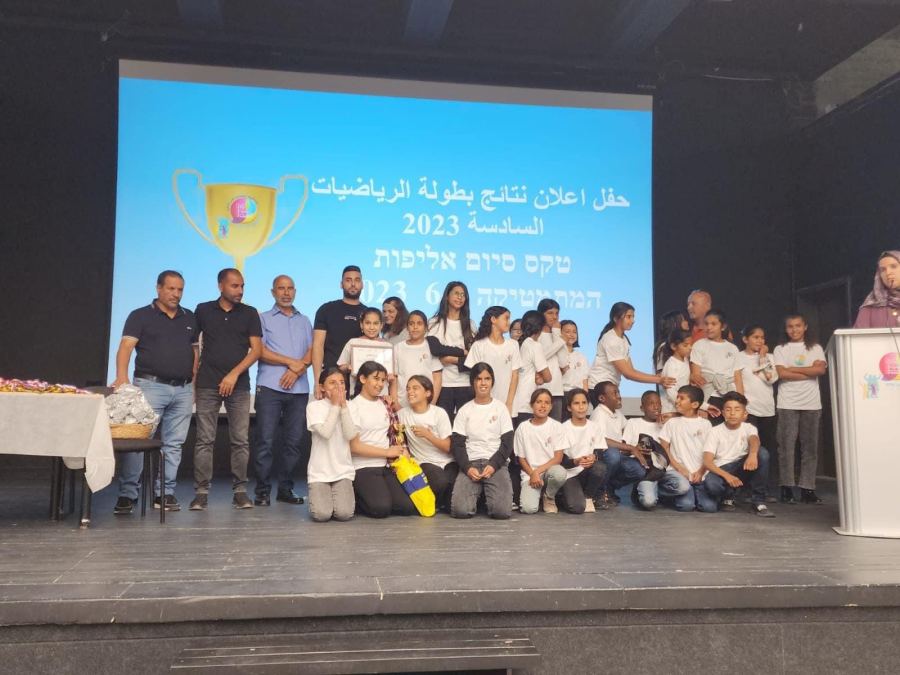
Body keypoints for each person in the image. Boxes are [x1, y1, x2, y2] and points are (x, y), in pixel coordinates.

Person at [111, 270, 198, 514]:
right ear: (158, 288)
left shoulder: (189, 317)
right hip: (150, 386)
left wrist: (193, 383)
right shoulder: (140, 315)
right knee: (139, 442)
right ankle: (128, 494)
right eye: (171, 288)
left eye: (180, 290)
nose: (176, 294)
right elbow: (126, 347)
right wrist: (122, 378)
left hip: (183, 389)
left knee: (174, 444)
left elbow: (195, 352)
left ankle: (164, 493)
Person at [191, 268, 263, 511]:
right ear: (220, 286)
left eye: (242, 286)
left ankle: (240, 492)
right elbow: (194, 347)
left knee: (240, 440)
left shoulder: (250, 313)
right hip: (207, 383)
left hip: (239, 385)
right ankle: (201, 493)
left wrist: (233, 374)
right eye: (234, 286)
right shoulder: (203, 310)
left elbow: (256, 350)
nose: (240, 290)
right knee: (204, 440)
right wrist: (193, 382)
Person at [252, 274, 312, 507]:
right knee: (265, 441)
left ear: (295, 291)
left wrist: (296, 371)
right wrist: (291, 363)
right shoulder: (263, 318)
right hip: (270, 387)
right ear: (273, 292)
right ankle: (262, 491)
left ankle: (285, 489)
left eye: (290, 288)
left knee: (294, 442)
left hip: (299, 389)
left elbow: (312, 350)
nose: (286, 293)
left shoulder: (305, 320)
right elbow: (260, 351)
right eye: (281, 288)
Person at [347, 361, 417, 518]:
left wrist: (402, 450)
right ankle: (355, 496)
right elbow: (354, 447)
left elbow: (394, 432)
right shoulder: (353, 406)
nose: (380, 384)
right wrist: (386, 452)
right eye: (376, 378)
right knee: (381, 509)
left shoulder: (385, 402)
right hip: (363, 466)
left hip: (387, 465)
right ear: (363, 379)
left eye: (383, 380)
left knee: (407, 507)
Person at [449, 363, 515, 519]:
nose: (483, 383)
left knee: (502, 512)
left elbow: (507, 443)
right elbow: (457, 445)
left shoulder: (501, 409)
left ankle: (488, 499)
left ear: (492, 382)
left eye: (487, 379)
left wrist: (493, 465)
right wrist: (467, 468)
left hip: (496, 464)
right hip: (471, 463)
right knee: (460, 511)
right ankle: (475, 498)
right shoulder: (464, 410)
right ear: (473, 382)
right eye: (479, 379)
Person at [774, 314, 827, 505]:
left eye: (798, 326)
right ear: (786, 329)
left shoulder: (815, 348)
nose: (794, 330)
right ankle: (787, 488)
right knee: (786, 447)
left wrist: (792, 369)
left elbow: (820, 371)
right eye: (790, 326)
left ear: (805, 326)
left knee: (810, 448)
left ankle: (807, 489)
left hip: (811, 404)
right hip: (787, 403)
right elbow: (782, 374)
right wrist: (808, 370)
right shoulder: (780, 349)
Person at [700, 392, 775, 517]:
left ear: (745, 414)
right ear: (723, 413)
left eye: (737, 409)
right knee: (712, 485)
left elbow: (754, 440)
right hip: (722, 469)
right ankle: (728, 496)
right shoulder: (714, 431)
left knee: (762, 453)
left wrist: (752, 455)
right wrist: (728, 476)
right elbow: (707, 461)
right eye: (728, 410)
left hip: (741, 468)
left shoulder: (749, 428)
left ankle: (758, 501)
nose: (732, 413)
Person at [398, 375, 456, 512]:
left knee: (454, 496)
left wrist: (428, 435)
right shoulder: (402, 414)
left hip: (448, 461)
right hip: (424, 461)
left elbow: (447, 447)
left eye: (415, 388)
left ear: (428, 393)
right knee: (440, 482)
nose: (410, 392)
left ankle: (441, 503)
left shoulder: (439, 413)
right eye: (408, 388)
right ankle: (435, 503)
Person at [306, 368, 356, 522]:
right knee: (322, 515)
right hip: (319, 472)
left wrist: (343, 407)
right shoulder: (314, 407)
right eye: (333, 383)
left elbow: (350, 435)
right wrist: (335, 406)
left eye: (341, 382)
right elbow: (326, 433)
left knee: (344, 514)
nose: (338, 387)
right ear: (322, 387)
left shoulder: (351, 406)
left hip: (343, 471)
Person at [588, 302, 675, 392]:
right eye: (628, 317)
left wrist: (656, 377)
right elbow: (628, 374)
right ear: (616, 318)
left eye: (633, 317)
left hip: (608, 387)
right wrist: (658, 379)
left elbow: (631, 370)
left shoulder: (623, 339)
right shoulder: (611, 339)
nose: (633, 321)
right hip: (598, 387)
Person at [735, 324, 779, 499]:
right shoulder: (738, 357)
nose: (760, 341)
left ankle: (762, 489)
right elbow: (737, 382)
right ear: (745, 339)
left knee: (766, 451)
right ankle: (745, 488)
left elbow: (771, 378)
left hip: (767, 410)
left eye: (762, 337)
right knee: (749, 449)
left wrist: (762, 358)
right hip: (749, 410)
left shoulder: (769, 357)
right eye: (755, 337)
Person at [312, 265, 366, 399]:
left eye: (357, 280)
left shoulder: (368, 314)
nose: (353, 284)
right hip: (331, 378)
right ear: (341, 284)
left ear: (362, 284)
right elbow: (317, 346)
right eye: (348, 280)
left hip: (360, 382)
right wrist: (317, 381)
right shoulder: (326, 310)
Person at [658, 385, 714, 512]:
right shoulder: (672, 423)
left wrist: (701, 471)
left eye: (681, 398)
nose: (677, 400)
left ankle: (694, 492)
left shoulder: (706, 424)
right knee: (686, 506)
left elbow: (710, 452)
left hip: (700, 474)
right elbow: (664, 448)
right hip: (678, 472)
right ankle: (661, 493)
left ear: (695, 404)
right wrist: (679, 468)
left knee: (709, 507)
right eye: (677, 397)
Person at [590, 381, 647, 504]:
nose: (619, 396)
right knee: (613, 455)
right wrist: (630, 448)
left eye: (619, 392)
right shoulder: (599, 414)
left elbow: (627, 431)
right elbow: (602, 440)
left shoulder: (617, 413)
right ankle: (599, 492)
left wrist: (637, 447)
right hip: (600, 457)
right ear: (602, 398)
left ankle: (609, 488)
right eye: (615, 393)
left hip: (617, 455)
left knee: (639, 470)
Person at [626, 391, 684, 511]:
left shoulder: (667, 424)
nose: (656, 407)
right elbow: (626, 447)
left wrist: (671, 415)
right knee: (648, 502)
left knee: (683, 487)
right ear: (642, 407)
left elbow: (689, 415)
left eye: (658, 403)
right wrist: (636, 449)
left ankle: (657, 491)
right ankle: (641, 491)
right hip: (647, 470)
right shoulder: (633, 423)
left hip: (665, 469)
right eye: (651, 403)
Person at [427, 281, 476, 422]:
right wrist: (461, 352)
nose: (460, 297)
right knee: (443, 426)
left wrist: (451, 359)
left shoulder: (470, 324)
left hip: (465, 384)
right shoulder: (435, 322)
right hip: (443, 384)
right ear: (447, 296)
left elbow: (474, 357)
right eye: (456, 293)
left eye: (463, 295)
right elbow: (435, 349)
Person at [515, 389, 568, 514]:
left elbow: (558, 458)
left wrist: (537, 472)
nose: (543, 406)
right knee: (528, 509)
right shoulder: (523, 428)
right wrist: (532, 474)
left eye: (547, 402)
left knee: (559, 473)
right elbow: (521, 458)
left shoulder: (557, 426)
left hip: (549, 471)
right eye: (538, 402)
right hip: (530, 473)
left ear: (551, 406)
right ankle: (536, 493)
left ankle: (548, 496)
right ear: (531, 405)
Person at [464, 306, 521, 416]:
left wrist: (509, 403)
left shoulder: (513, 345)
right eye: (506, 318)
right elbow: (475, 378)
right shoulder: (479, 345)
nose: (509, 322)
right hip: (483, 405)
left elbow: (515, 376)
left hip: (507, 404)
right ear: (493, 319)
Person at [558, 388, 608, 514]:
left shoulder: (594, 427)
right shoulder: (562, 429)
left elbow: (599, 451)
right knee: (577, 507)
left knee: (600, 467)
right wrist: (576, 461)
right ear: (569, 407)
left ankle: (588, 496)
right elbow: (560, 460)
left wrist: (593, 457)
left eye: (584, 403)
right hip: (570, 473)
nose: (581, 407)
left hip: (588, 471)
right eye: (576, 403)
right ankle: (563, 497)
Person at [689, 308, 741, 417]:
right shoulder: (699, 345)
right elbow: (696, 377)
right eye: (706, 324)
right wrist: (701, 405)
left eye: (713, 324)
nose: (709, 327)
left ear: (723, 326)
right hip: (708, 396)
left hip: (729, 396)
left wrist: (741, 402)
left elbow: (738, 378)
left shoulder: (732, 348)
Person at [391, 310, 442, 409]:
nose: (415, 327)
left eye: (419, 323)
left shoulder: (430, 347)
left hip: (425, 403)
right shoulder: (398, 347)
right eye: (411, 324)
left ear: (426, 328)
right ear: (407, 327)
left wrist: (432, 402)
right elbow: (394, 378)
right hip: (402, 403)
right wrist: (395, 402)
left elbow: (437, 377)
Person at [337, 307, 392, 396]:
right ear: (361, 324)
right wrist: (348, 366)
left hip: (381, 395)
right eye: (367, 323)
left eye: (375, 323)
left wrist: (390, 375)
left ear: (381, 325)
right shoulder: (353, 342)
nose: (371, 327)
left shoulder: (387, 346)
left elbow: (392, 374)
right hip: (358, 394)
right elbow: (341, 367)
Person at [512, 310, 551, 426]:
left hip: (515, 401)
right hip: (526, 400)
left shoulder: (521, 343)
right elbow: (548, 377)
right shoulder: (534, 345)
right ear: (540, 328)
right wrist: (541, 377)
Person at [537, 298, 568, 420]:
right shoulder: (536, 335)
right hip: (540, 390)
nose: (554, 317)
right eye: (550, 313)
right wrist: (560, 341)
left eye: (557, 313)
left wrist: (556, 332)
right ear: (541, 314)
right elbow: (540, 358)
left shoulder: (557, 334)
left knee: (556, 427)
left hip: (557, 391)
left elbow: (563, 362)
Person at [854, 250, 900, 328]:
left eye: (893, 266)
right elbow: (858, 334)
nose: (888, 272)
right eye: (883, 270)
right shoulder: (871, 306)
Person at [659, 328, 692, 414]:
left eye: (690, 344)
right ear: (674, 346)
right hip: (670, 409)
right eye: (685, 345)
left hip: (681, 407)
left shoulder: (685, 360)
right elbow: (670, 391)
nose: (690, 348)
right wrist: (683, 405)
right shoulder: (672, 365)